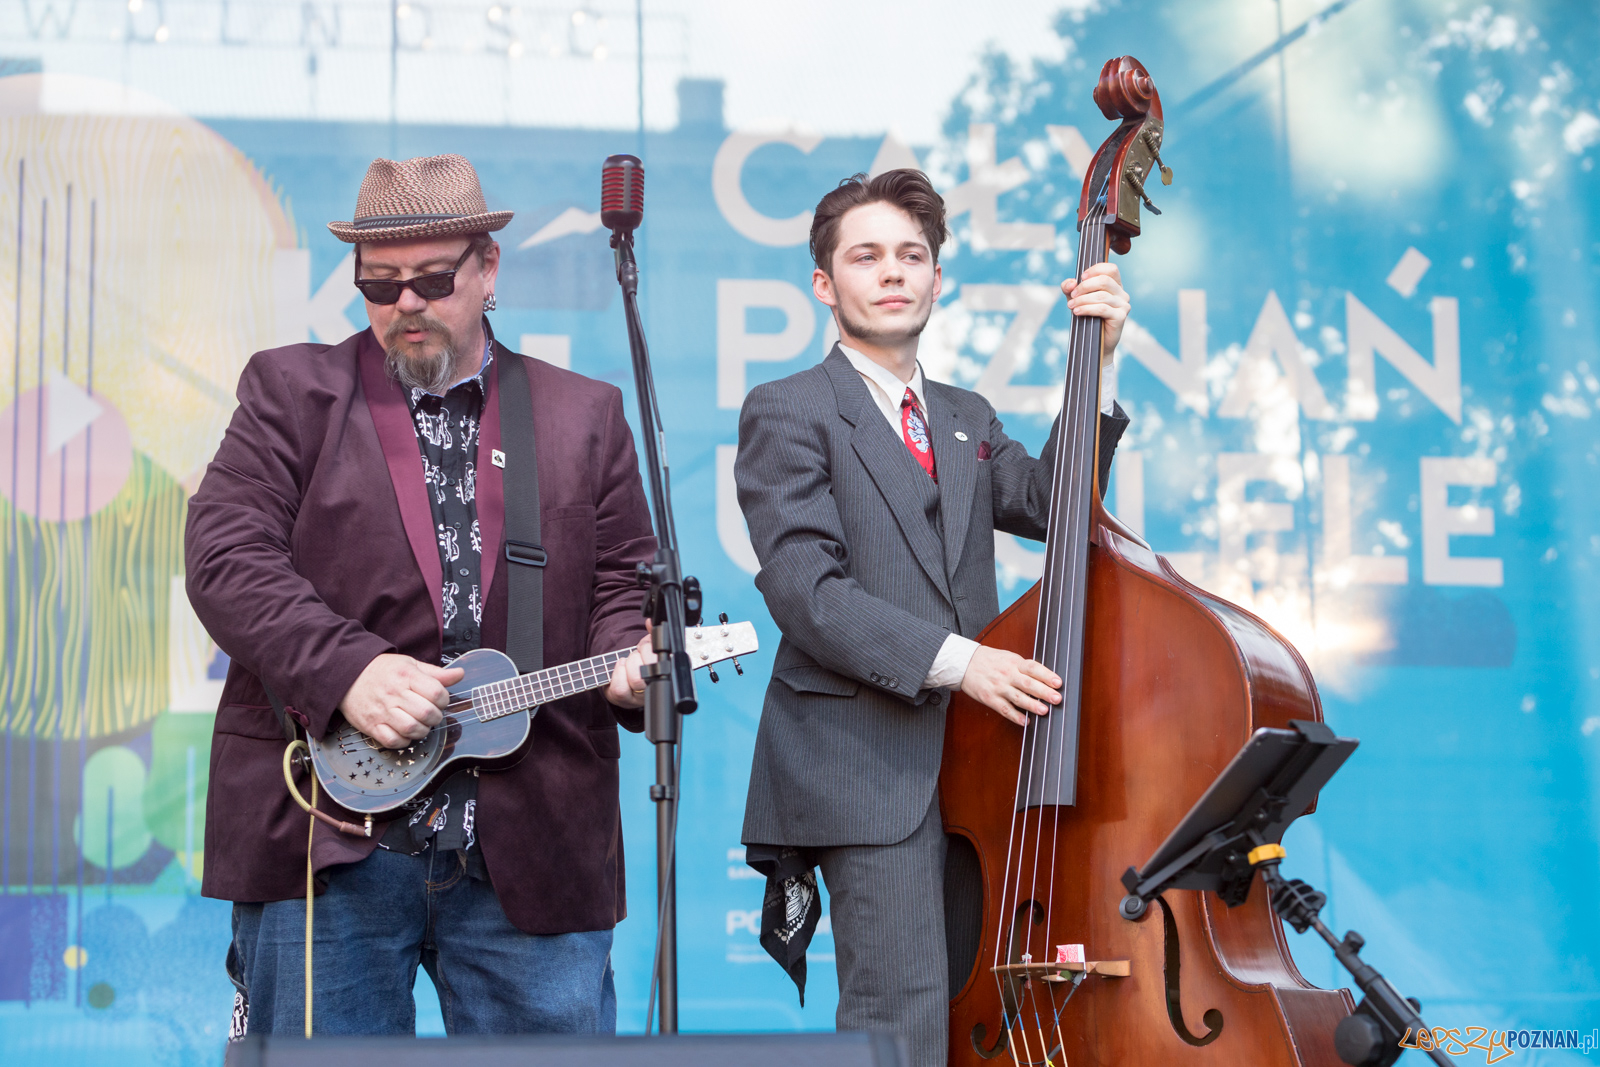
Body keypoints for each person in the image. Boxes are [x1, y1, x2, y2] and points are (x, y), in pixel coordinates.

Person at [185, 153, 658, 1036]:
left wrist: (632, 654)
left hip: (535, 836)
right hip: (328, 835)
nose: (405, 303)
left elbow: (626, 581)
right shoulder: (291, 392)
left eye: (433, 279)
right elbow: (222, 553)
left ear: (488, 269)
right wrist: (348, 671)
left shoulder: (581, 413)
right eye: (379, 283)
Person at [735, 169, 1131, 1065]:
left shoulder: (965, 414)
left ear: (938, 280)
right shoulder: (789, 410)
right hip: (868, 770)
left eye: (912, 255)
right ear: (823, 285)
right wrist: (965, 662)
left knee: (986, 997)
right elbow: (807, 592)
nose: (893, 272)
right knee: (902, 1012)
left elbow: (1056, 505)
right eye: (866, 255)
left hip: (980, 763)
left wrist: (1099, 363)